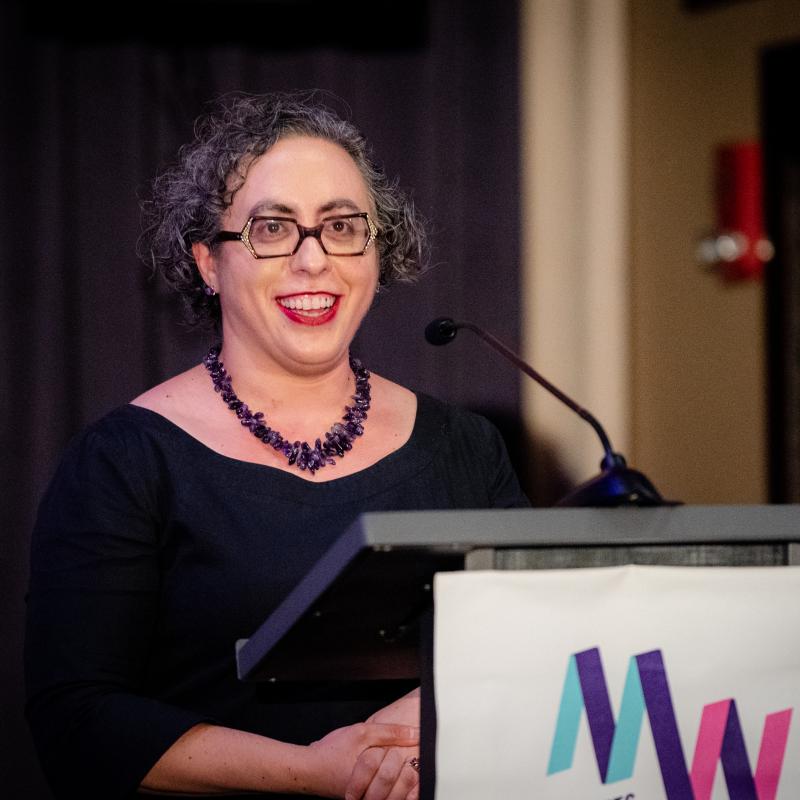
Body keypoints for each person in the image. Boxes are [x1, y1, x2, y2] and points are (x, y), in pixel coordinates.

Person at [25, 92, 530, 800]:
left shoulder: (467, 446)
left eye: (343, 227)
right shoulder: (124, 461)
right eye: (272, 229)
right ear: (208, 262)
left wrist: (424, 721)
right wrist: (315, 771)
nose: (313, 260)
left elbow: (529, 648)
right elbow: (77, 719)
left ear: (377, 253)